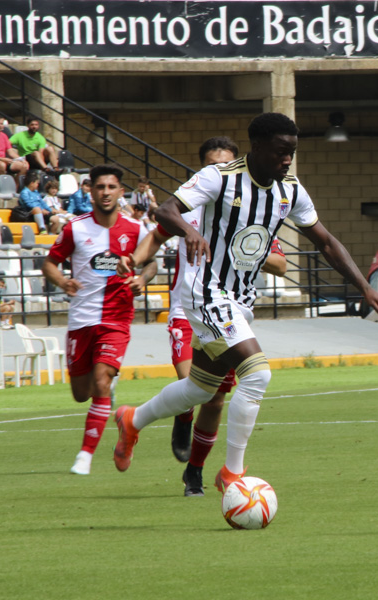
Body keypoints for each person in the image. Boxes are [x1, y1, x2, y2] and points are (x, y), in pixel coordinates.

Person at [110, 112, 378, 493]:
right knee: (258, 374)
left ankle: (132, 420)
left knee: (200, 389)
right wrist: (190, 231)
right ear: (258, 147)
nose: (287, 160)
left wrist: (365, 287)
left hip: (240, 300)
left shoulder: (290, 190)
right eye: (281, 152)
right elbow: (166, 211)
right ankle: (232, 474)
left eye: (291, 152)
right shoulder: (220, 177)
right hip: (206, 292)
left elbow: (326, 242)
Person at [131, 136, 287, 496]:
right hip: (187, 309)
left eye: (226, 165)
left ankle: (195, 472)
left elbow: (280, 262)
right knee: (202, 390)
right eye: (212, 165)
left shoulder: (249, 212)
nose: (221, 171)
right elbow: (155, 238)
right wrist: (134, 264)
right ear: (201, 169)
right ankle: (181, 419)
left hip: (230, 309)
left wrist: (244, 247)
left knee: (213, 395)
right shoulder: (187, 206)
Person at [42, 164, 157, 475]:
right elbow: (50, 263)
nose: (106, 192)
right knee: (82, 393)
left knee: (102, 380)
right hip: (82, 320)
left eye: (111, 187)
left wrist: (142, 280)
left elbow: (152, 264)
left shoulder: (136, 229)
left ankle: (85, 457)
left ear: (121, 192)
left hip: (117, 318)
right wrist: (63, 282)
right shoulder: (75, 228)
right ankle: (104, 401)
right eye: (100, 187)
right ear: (90, 191)